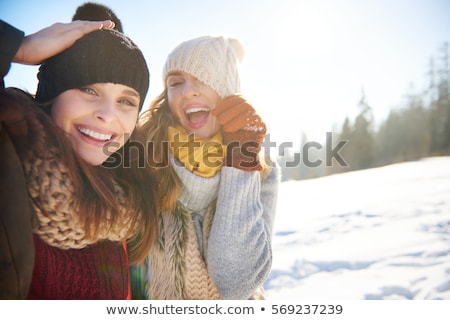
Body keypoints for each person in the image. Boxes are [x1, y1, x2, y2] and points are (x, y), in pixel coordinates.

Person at [0, 5, 158, 299]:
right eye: (88, 89)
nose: (108, 115)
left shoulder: (124, 202)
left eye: (126, 101)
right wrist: (19, 47)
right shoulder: (9, 167)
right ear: (51, 94)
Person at [133, 35, 280, 299]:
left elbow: (236, 283)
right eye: (176, 83)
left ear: (227, 92)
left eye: (202, 79)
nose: (188, 91)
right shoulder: (140, 159)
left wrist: (241, 161)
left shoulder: (262, 171)